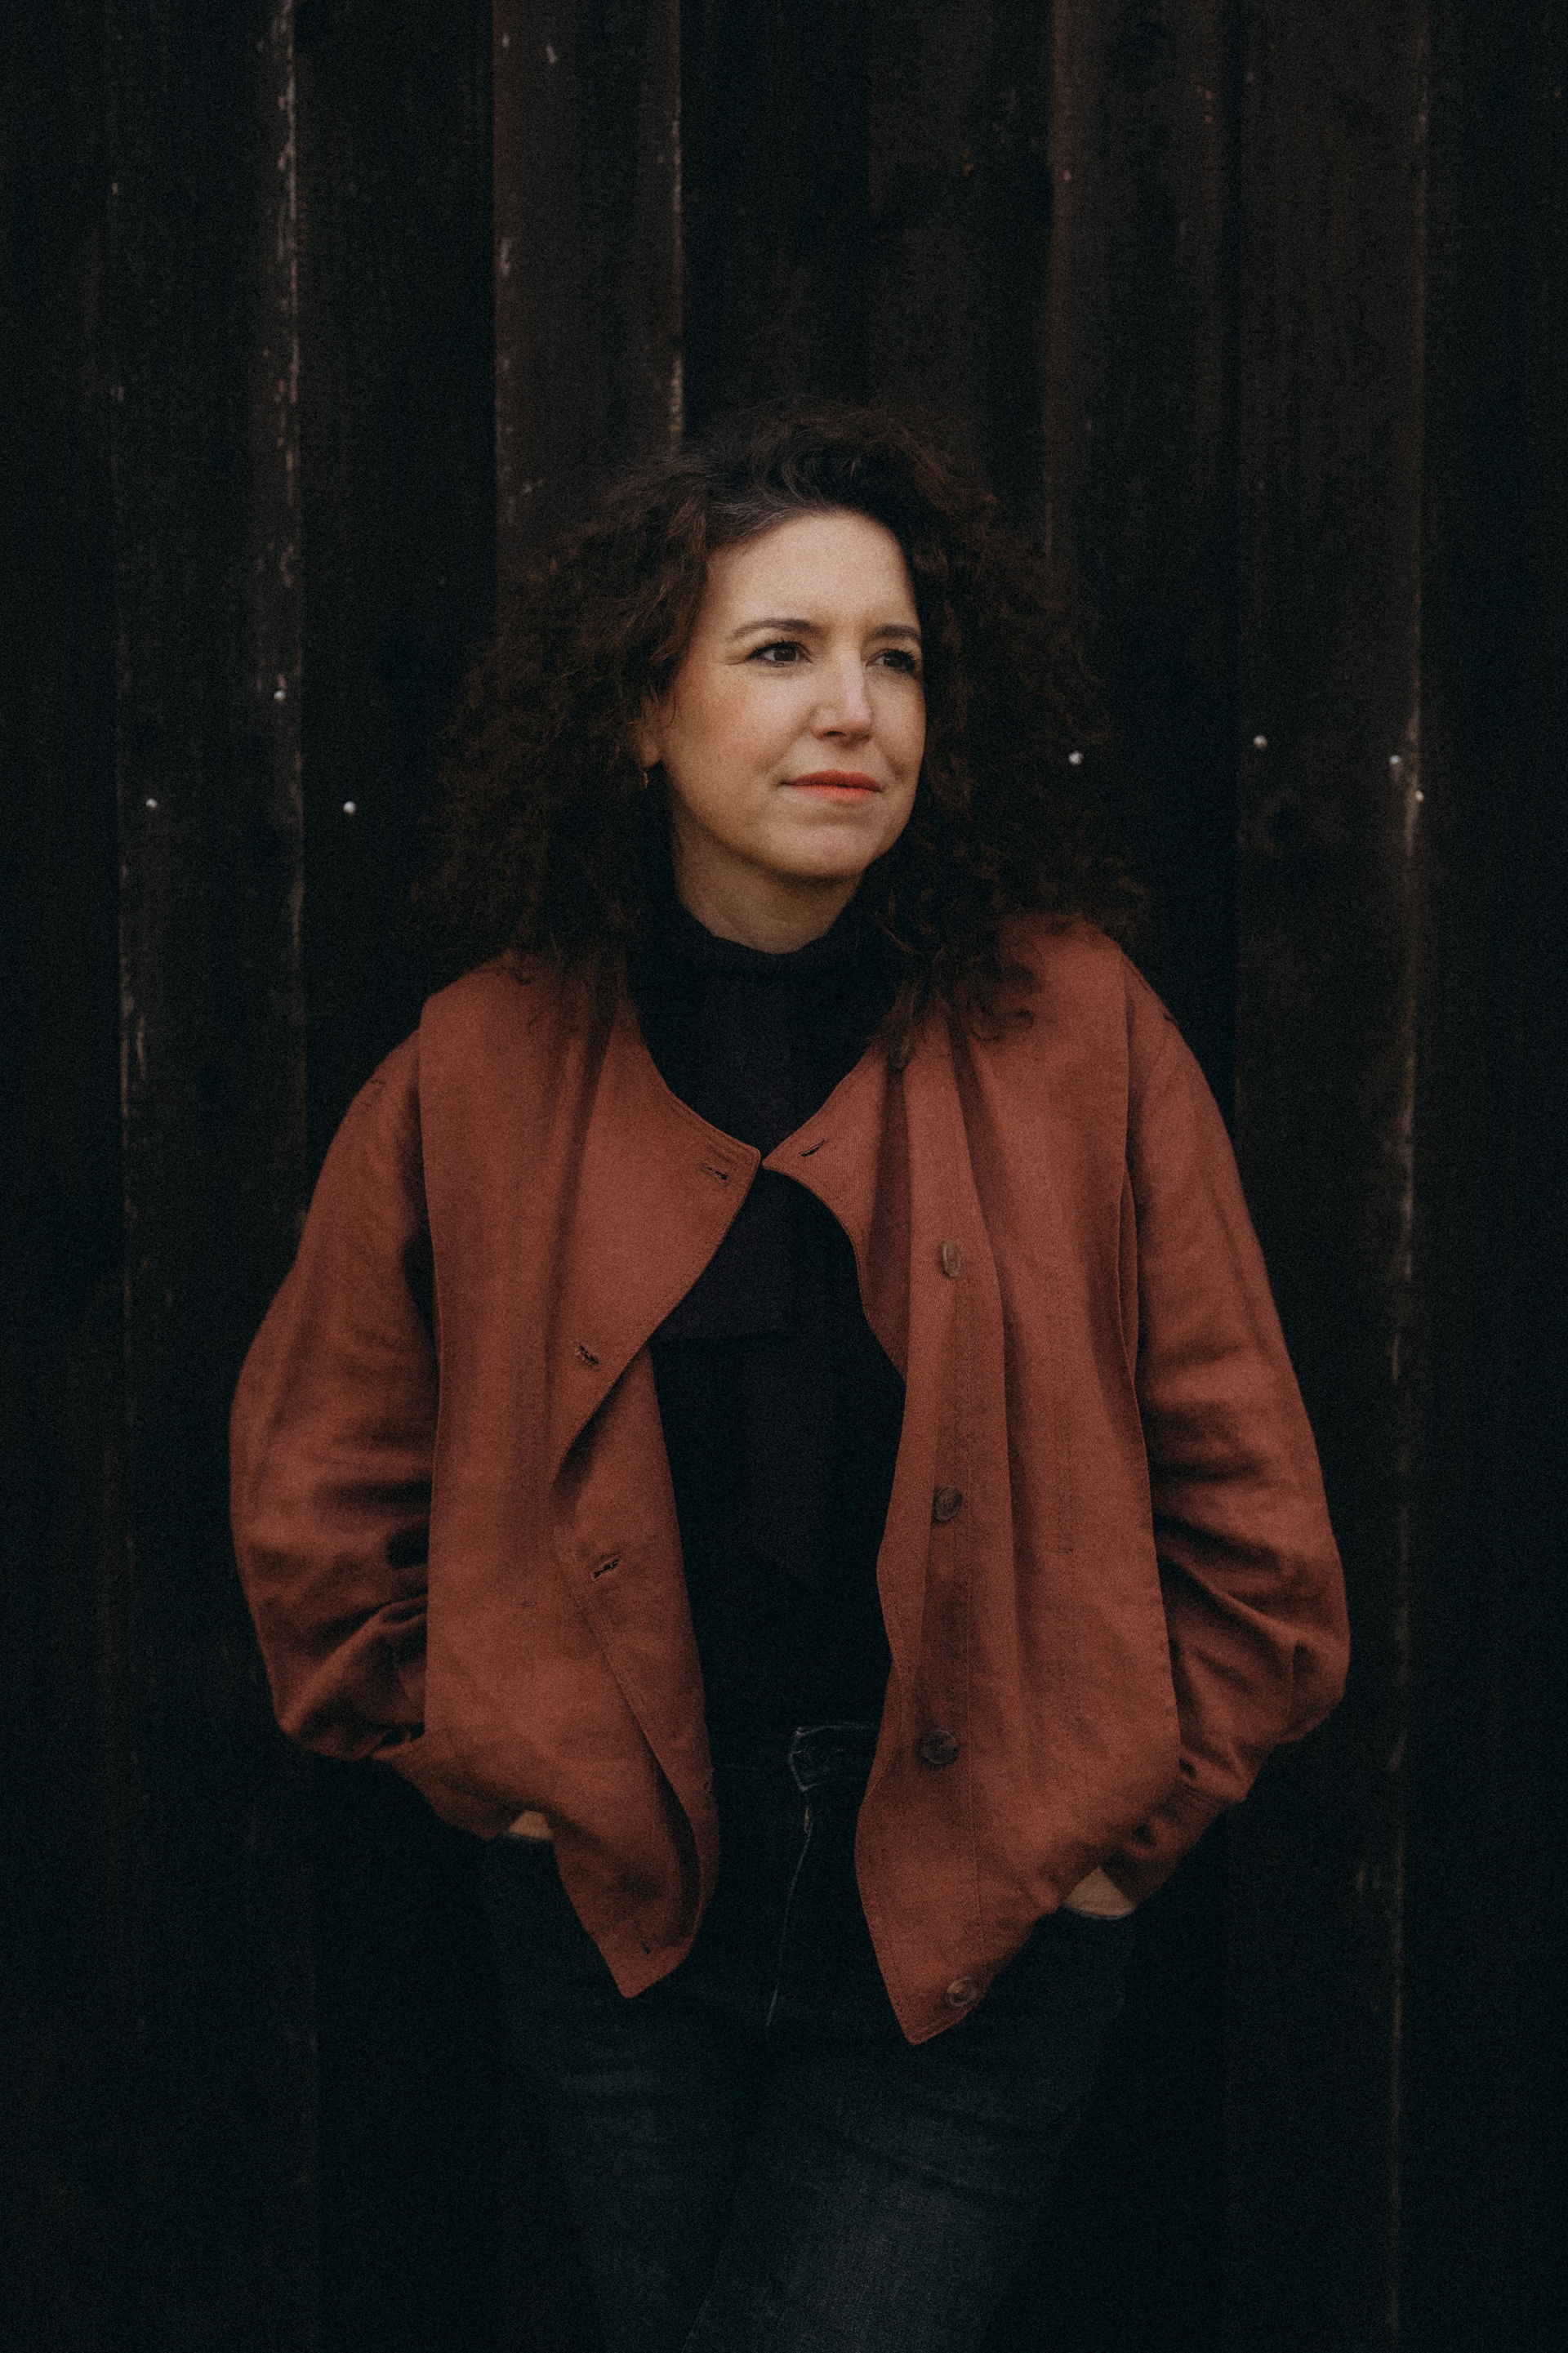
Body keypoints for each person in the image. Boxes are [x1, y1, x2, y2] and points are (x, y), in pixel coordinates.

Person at [230, 403, 1348, 2353]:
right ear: (637, 714)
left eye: (894, 657)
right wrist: (492, 1767)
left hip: (992, 1903)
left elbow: (1254, 1511)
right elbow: (320, 1488)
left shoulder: (1082, 1034)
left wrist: (1113, 1833)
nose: (855, 709)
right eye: (780, 650)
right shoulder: (479, 1065)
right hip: (616, 1924)